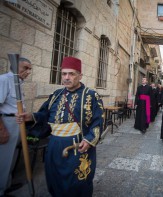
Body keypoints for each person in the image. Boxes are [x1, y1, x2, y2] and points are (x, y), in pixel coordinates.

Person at [16, 57, 104, 197]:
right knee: (55, 181)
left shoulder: (91, 95)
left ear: (80, 76)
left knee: (77, 185)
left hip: (77, 147)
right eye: (64, 74)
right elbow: (44, 115)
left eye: (71, 74)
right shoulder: (55, 95)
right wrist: (31, 117)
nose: (67, 77)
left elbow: (98, 121)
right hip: (54, 147)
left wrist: (88, 140)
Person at [0, 57, 32, 197]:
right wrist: (1, 130)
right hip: (6, 124)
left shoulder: (18, 82)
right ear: (15, 67)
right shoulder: (4, 80)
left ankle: (6, 185)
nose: (28, 71)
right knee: (3, 159)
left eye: (30, 68)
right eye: (25, 68)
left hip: (17, 123)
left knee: (12, 157)